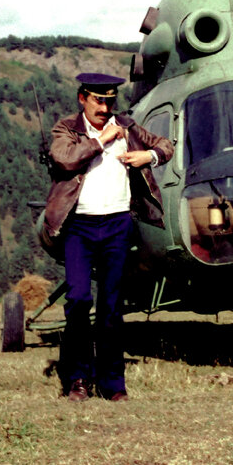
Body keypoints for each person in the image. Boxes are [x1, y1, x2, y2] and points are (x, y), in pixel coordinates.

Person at [41, 72, 174, 401]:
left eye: (110, 101)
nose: (105, 107)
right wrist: (102, 140)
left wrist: (149, 156)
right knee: (78, 301)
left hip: (117, 224)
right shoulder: (66, 129)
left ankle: (112, 383)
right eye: (98, 100)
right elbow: (64, 158)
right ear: (82, 98)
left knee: (111, 306)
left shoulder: (127, 127)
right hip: (79, 227)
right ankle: (77, 379)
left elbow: (165, 146)